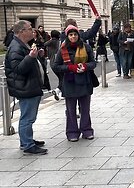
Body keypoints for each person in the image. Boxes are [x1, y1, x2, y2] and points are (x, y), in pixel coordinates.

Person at [5, 20, 50, 155]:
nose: (33, 31)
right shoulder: (15, 48)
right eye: (30, 29)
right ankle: (27, 145)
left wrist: (37, 56)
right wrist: (31, 57)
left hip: (28, 86)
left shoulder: (21, 44)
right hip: (25, 87)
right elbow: (18, 69)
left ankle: (26, 140)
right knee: (27, 117)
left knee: (29, 116)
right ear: (21, 32)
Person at [53, 25, 97, 142]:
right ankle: (72, 132)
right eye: (71, 35)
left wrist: (85, 66)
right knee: (71, 109)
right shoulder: (62, 49)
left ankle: (87, 130)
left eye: (75, 34)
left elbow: (93, 63)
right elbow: (56, 66)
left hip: (85, 81)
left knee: (85, 108)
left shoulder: (86, 47)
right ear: (67, 36)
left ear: (78, 35)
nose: (73, 37)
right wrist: (70, 68)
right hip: (69, 82)